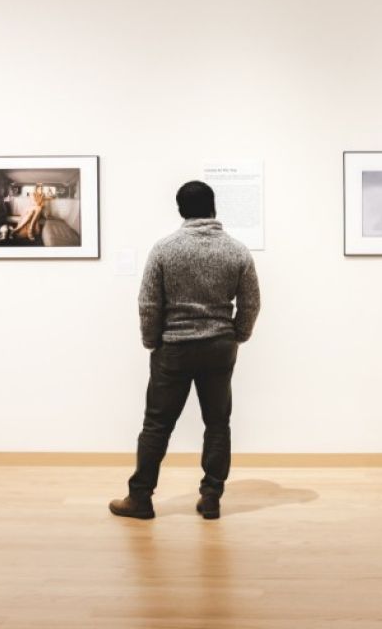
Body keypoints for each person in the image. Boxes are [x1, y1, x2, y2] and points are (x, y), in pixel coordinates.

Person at [110, 181, 261, 521]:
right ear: (214, 208)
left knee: (157, 425)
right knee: (218, 423)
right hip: (219, 348)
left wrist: (152, 341)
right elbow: (251, 302)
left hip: (174, 350)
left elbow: (148, 303)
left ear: (180, 210)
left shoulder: (164, 249)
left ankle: (140, 498)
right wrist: (237, 335)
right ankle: (211, 498)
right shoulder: (237, 251)